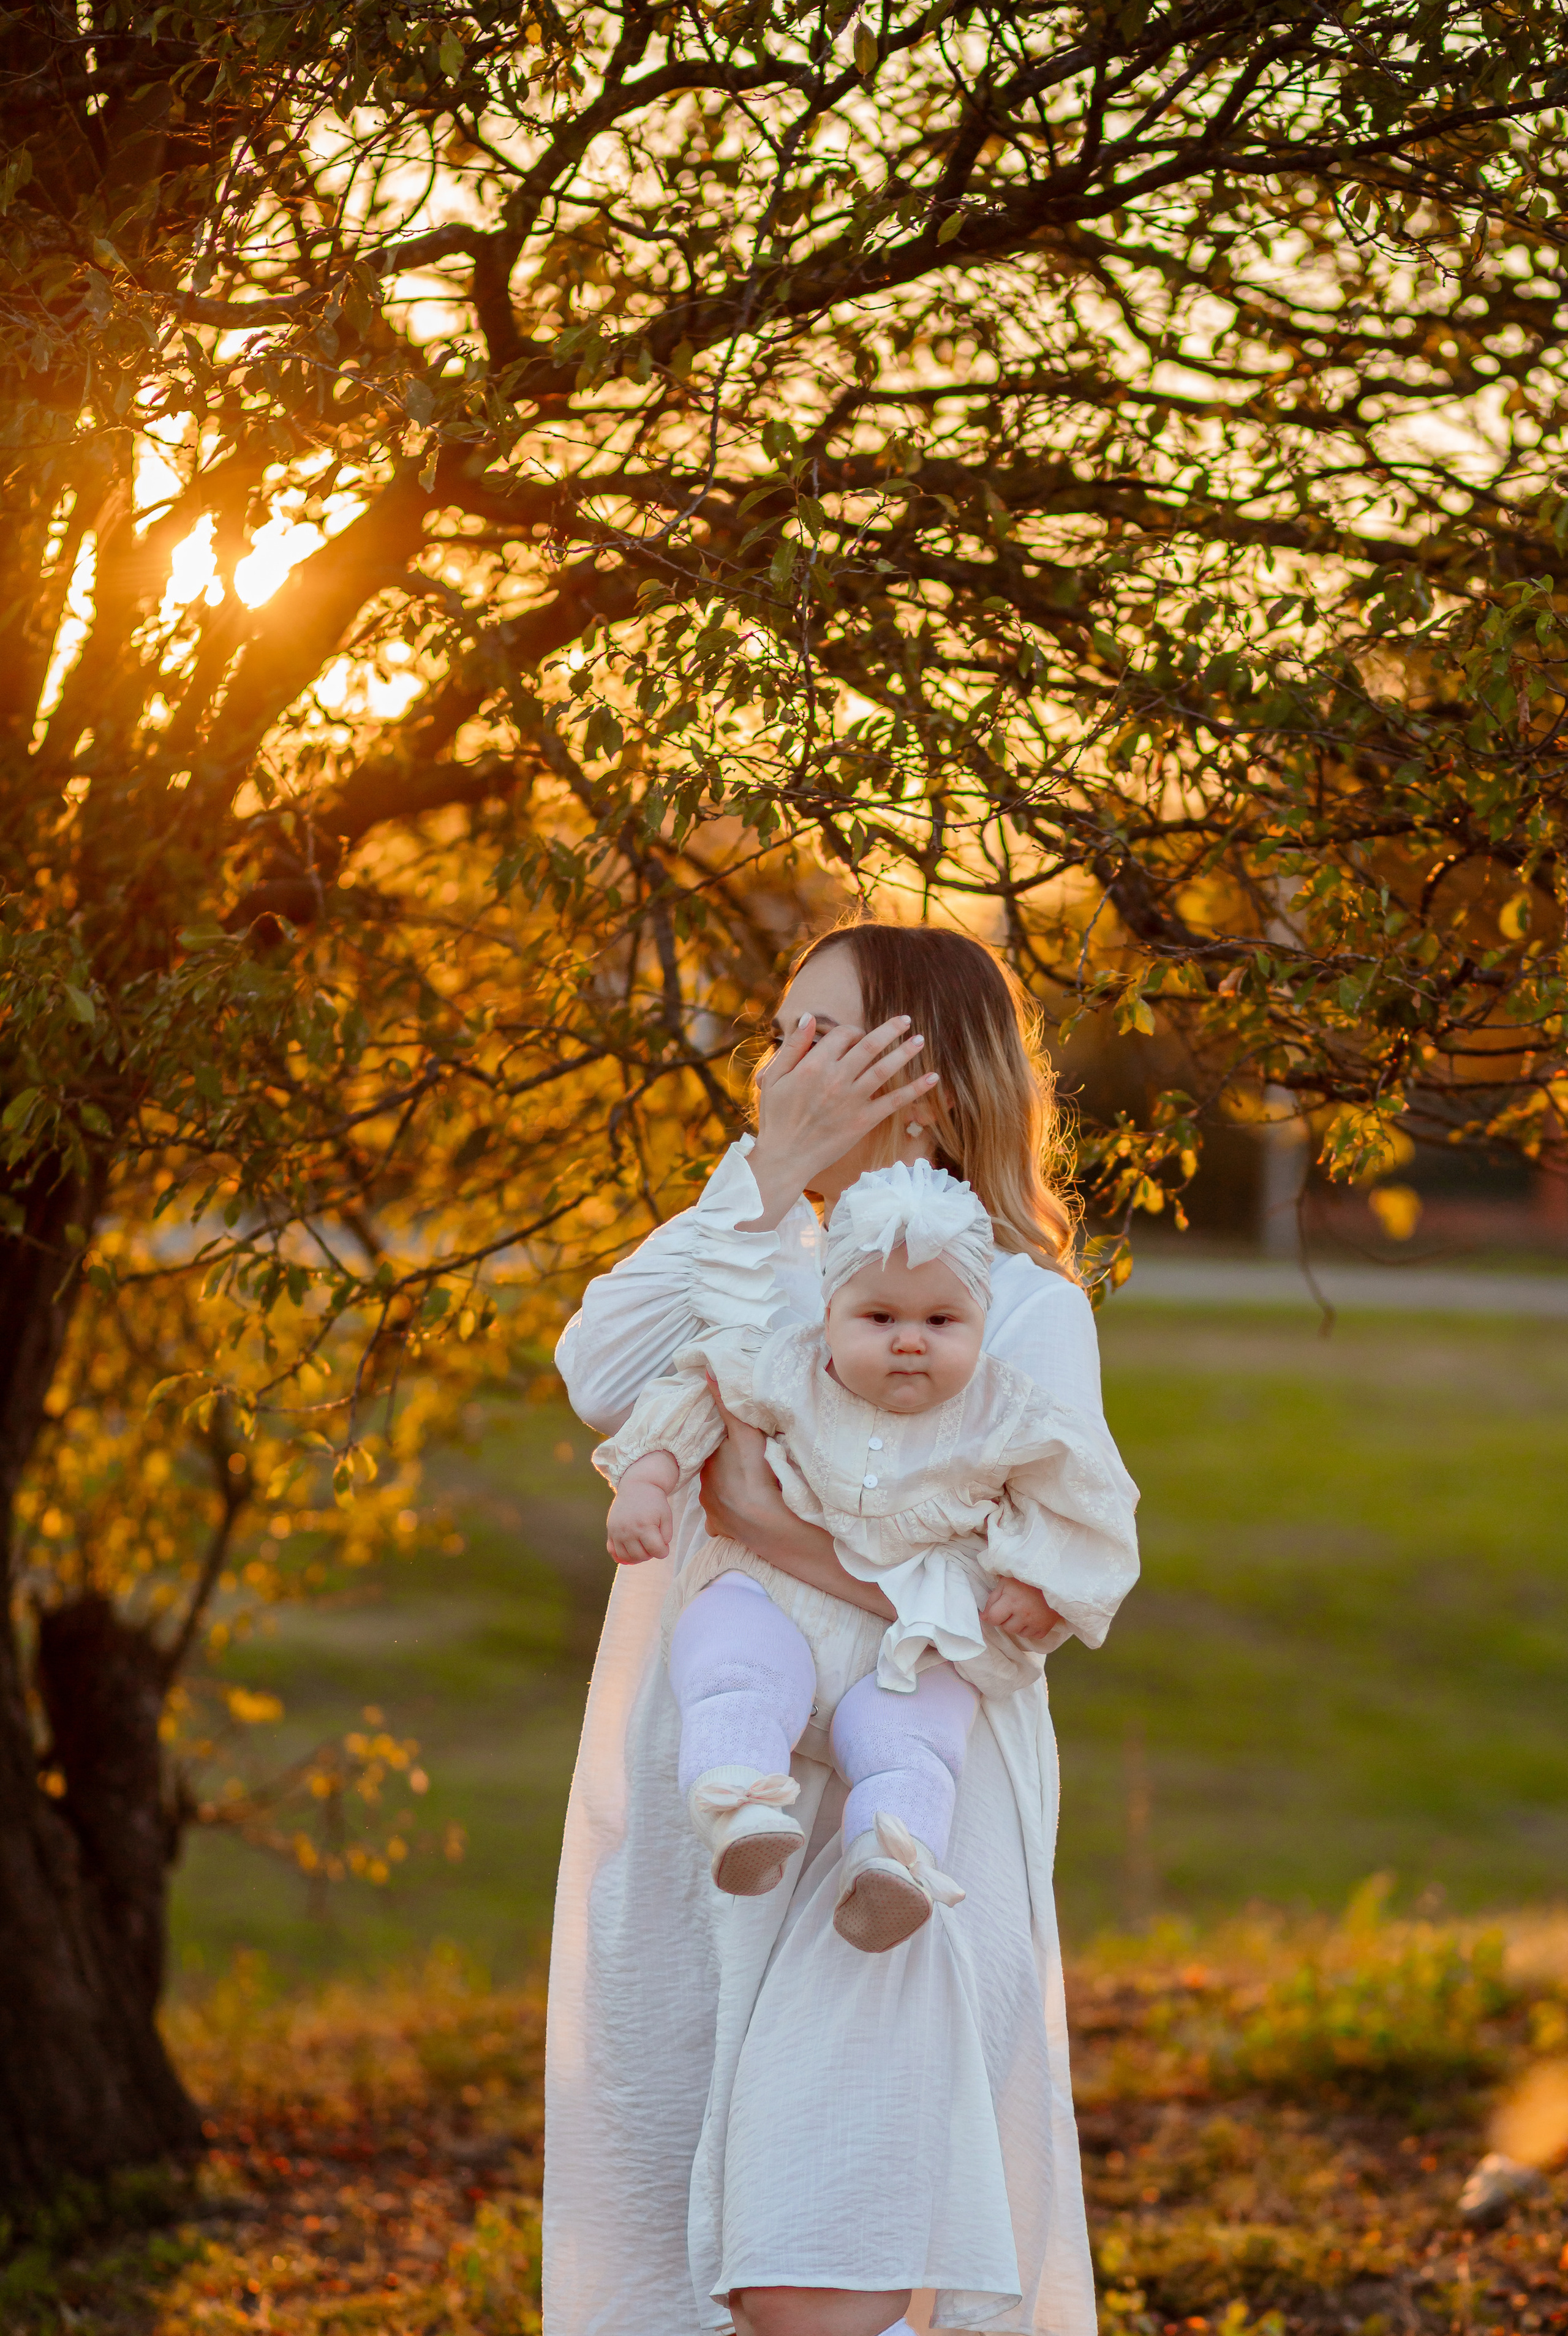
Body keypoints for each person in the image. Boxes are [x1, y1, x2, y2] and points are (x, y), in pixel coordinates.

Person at [545, 921, 1140, 2336]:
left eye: (820, 1036)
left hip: (907, 1810)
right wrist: (761, 1175)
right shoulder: (768, 1257)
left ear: (920, 1077)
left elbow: (1020, 1612)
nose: (779, 1064)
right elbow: (596, 1371)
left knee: (822, 2256)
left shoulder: (1011, 1311)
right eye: (779, 1033)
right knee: (696, 2231)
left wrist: (768, 1527)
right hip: (723, 1782)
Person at [592, 1156, 1139, 1951]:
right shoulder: (787, 1365)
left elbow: (1081, 1494)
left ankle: (893, 1858)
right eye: (879, 1318)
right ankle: (742, 1803)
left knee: (916, 1740)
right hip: (770, 1595)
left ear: (980, 1320)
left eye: (941, 1322)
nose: (910, 1342)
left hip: (905, 1645)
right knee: (732, 1662)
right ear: (832, 1308)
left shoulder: (1007, 1412)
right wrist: (646, 1479)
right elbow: (693, 1391)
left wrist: (1043, 1583)